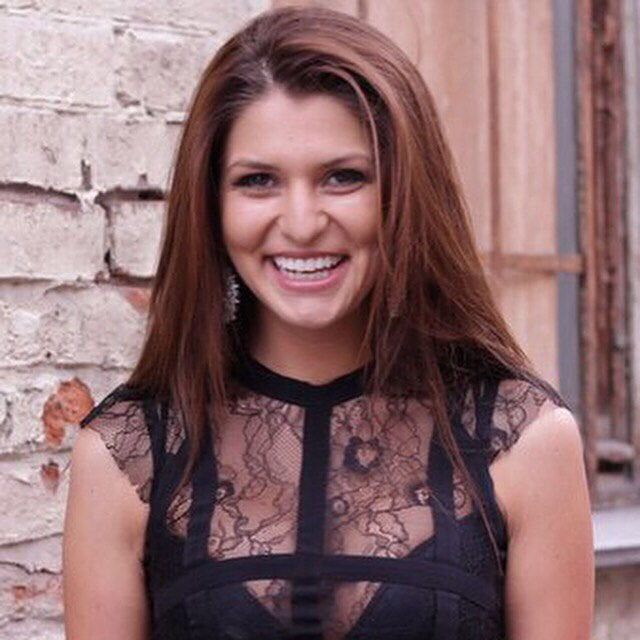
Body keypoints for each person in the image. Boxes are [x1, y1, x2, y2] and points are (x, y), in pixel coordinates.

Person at [63, 6, 594, 640]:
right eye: (258, 181)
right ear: (211, 204)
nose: (302, 222)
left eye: (343, 177)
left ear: (404, 191)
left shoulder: (525, 441)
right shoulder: (127, 455)